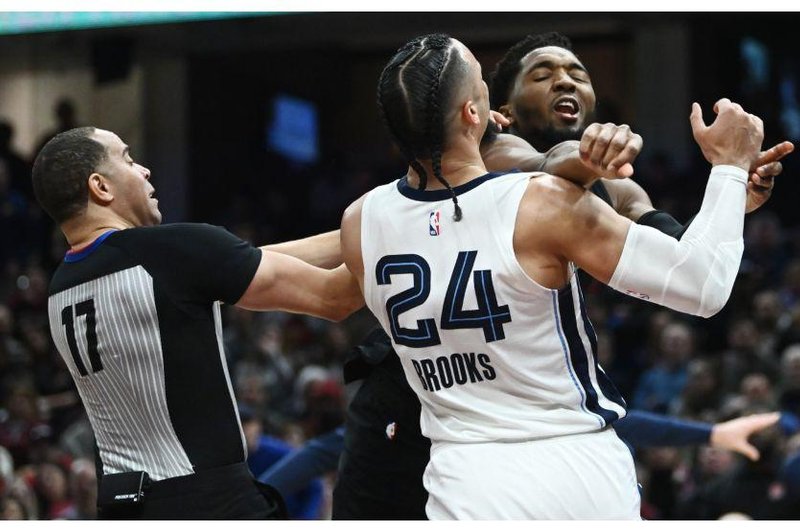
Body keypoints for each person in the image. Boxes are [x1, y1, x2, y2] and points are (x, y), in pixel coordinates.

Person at [331, 31, 792, 520]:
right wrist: (724, 170)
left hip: (484, 441)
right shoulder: (495, 160)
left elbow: (685, 257)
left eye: (577, 72)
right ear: (491, 109)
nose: (564, 80)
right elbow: (548, 166)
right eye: (543, 73)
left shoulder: (607, 189)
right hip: (415, 409)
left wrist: (727, 203)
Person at [31, 127, 363, 519]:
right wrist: (389, 219)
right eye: (128, 158)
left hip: (123, 508)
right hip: (208, 502)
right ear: (101, 187)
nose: (146, 170)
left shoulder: (60, 287)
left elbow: (239, 263)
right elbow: (334, 297)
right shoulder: (172, 255)